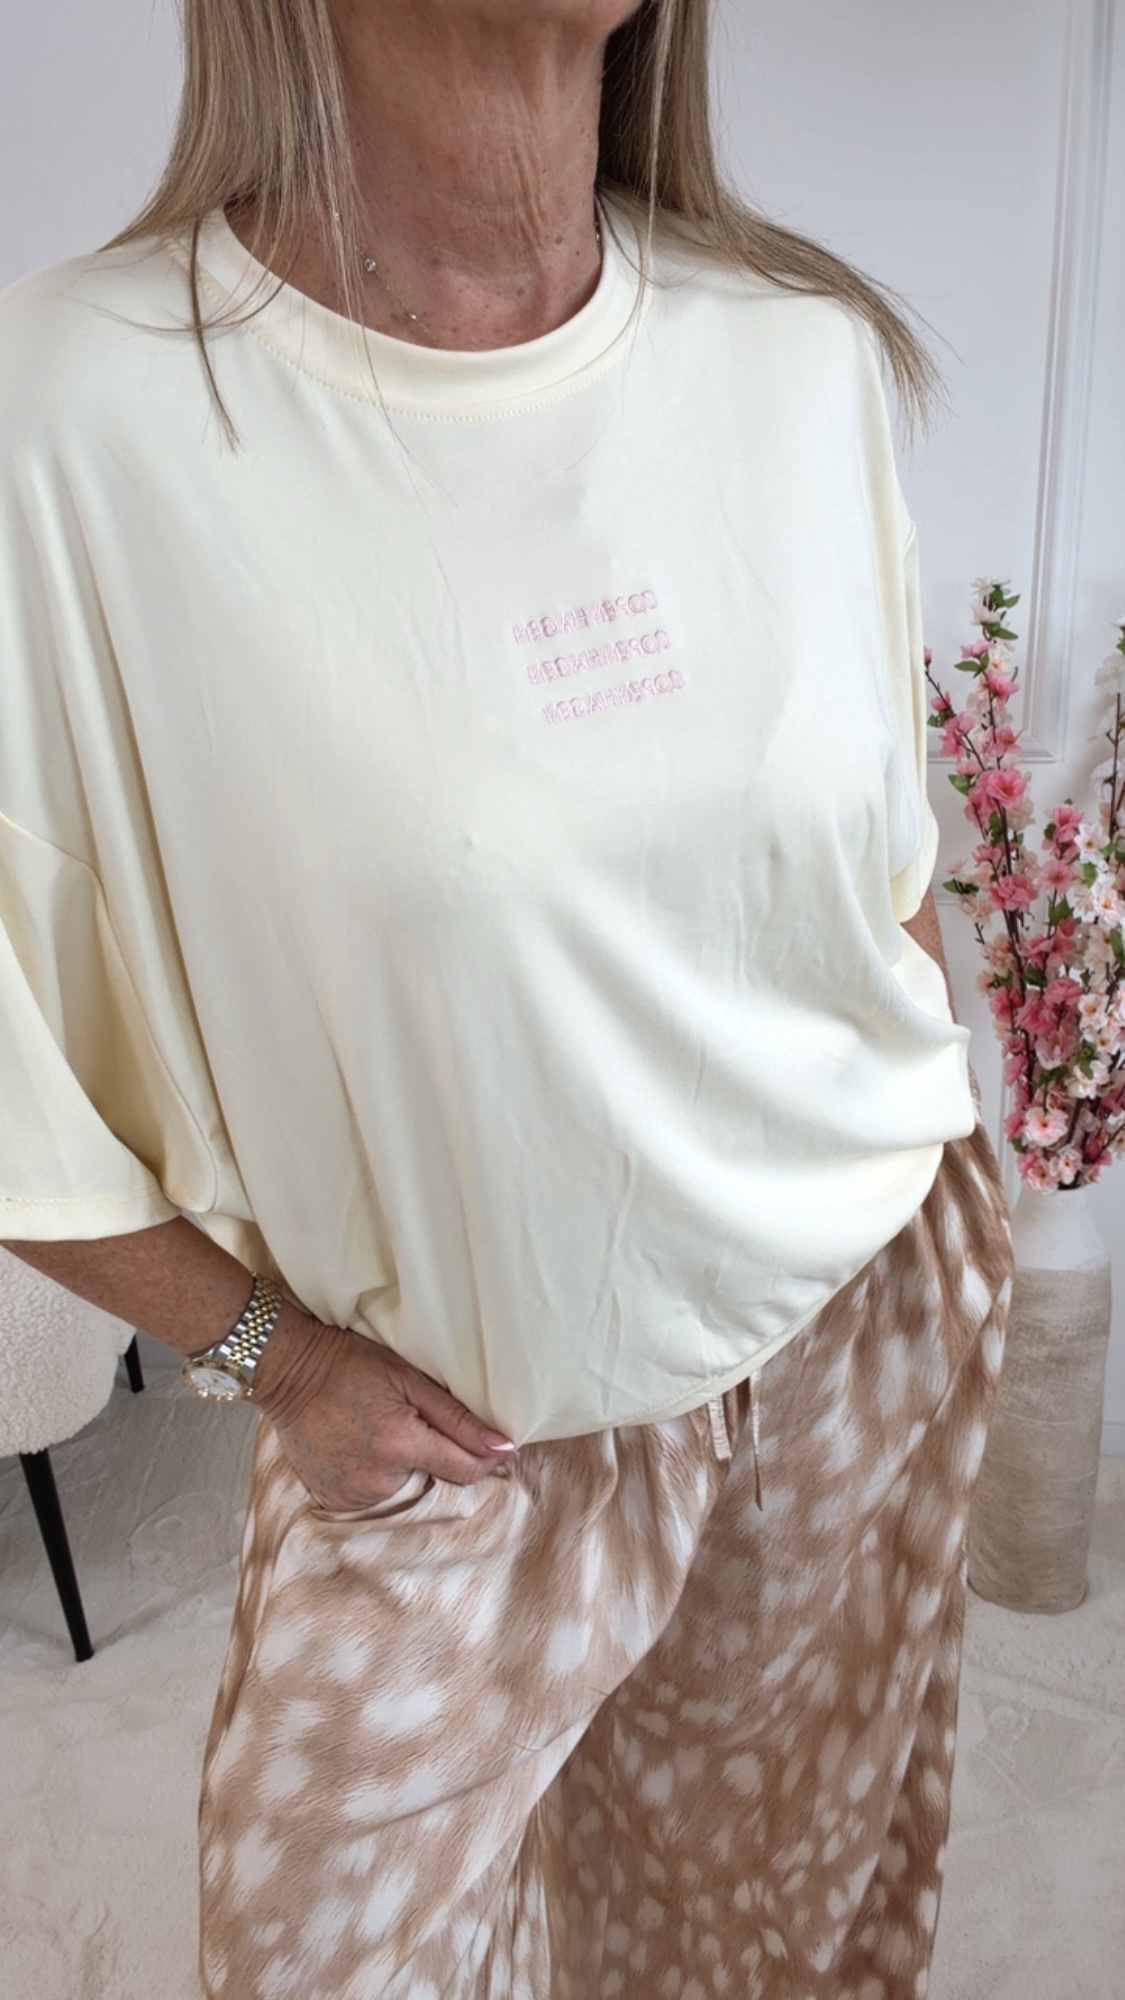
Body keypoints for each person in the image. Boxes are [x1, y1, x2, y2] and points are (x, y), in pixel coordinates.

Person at [0, 1, 1013, 1994]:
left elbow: (869, 872)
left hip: (850, 1337)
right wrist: (266, 1360)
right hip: (450, 1429)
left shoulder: (793, 353)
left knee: (747, 1946)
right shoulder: (88, 411)